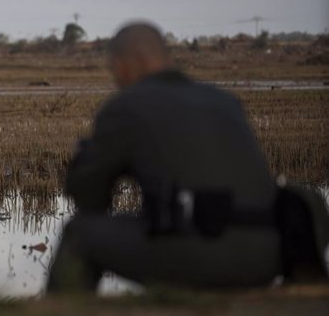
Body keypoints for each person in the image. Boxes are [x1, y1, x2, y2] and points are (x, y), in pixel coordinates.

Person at [46, 21, 284, 293]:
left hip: (199, 258)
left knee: (79, 233)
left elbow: (89, 197)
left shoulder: (126, 106)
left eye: (113, 69)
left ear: (123, 64)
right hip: (268, 256)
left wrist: (88, 160)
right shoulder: (224, 100)